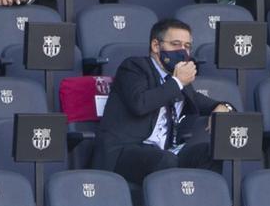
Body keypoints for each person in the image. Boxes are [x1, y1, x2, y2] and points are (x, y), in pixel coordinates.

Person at [93, 19, 234, 185]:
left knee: (210, 153)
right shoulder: (134, 67)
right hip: (124, 152)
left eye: (187, 46)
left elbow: (203, 102)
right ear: (155, 45)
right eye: (175, 44)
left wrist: (223, 107)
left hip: (164, 153)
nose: (182, 51)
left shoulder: (178, 81)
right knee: (165, 159)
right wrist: (178, 82)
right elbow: (140, 104)